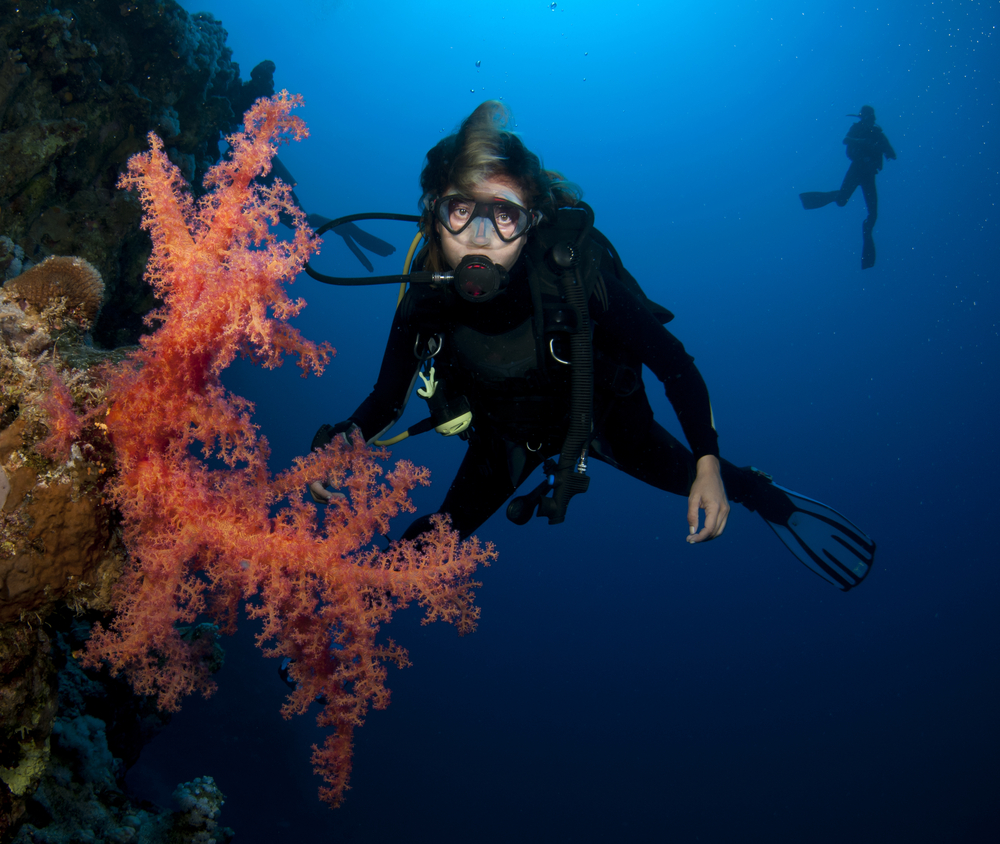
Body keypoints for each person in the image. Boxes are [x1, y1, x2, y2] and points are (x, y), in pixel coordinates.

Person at [309, 101, 875, 591]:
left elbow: (673, 363)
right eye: (461, 210)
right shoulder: (427, 292)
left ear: (532, 223)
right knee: (439, 537)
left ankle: (767, 498)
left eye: (504, 215)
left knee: (710, 477)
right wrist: (344, 442)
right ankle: (345, 612)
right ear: (434, 214)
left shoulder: (573, 277)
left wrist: (706, 460)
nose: (480, 237)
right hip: (505, 433)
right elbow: (388, 395)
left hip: (601, 414)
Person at [799, 105, 897, 269]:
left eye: (871, 117)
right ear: (862, 117)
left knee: (873, 213)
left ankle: (867, 232)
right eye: (866, 117)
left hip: (869, 174)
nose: (869, 120)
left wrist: (886, 151)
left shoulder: (878, 134)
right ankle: (834, 195)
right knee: (841, 201)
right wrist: (864, 143)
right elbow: (846, 140)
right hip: (856, 169)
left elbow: (891, 152)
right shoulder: (856, 128)